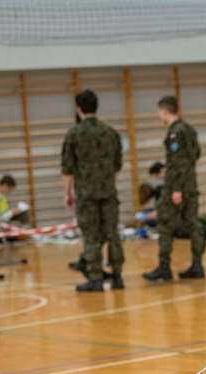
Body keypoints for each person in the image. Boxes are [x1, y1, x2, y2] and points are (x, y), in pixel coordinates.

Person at [61, 89, 125, 292]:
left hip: (86, 195)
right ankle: (117, 277)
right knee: (112, 234)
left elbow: (67, 169)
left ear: (78, 109)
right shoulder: (111, 132)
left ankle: (95, 278)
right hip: (109, 192)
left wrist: (67, 194)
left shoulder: (73, 134)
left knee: (91, 236)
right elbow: (117, 166)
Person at [142, 96, 205, 282]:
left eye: (159, 112)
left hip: (176, 187)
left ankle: (164, 268)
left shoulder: (175, 132)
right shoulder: (189, 129)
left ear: (164, 111)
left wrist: (177, 189)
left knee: (165, 224)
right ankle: (197, 266)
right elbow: (195, 155)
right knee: (192, 224)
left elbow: (178, 161)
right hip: (190, 185)